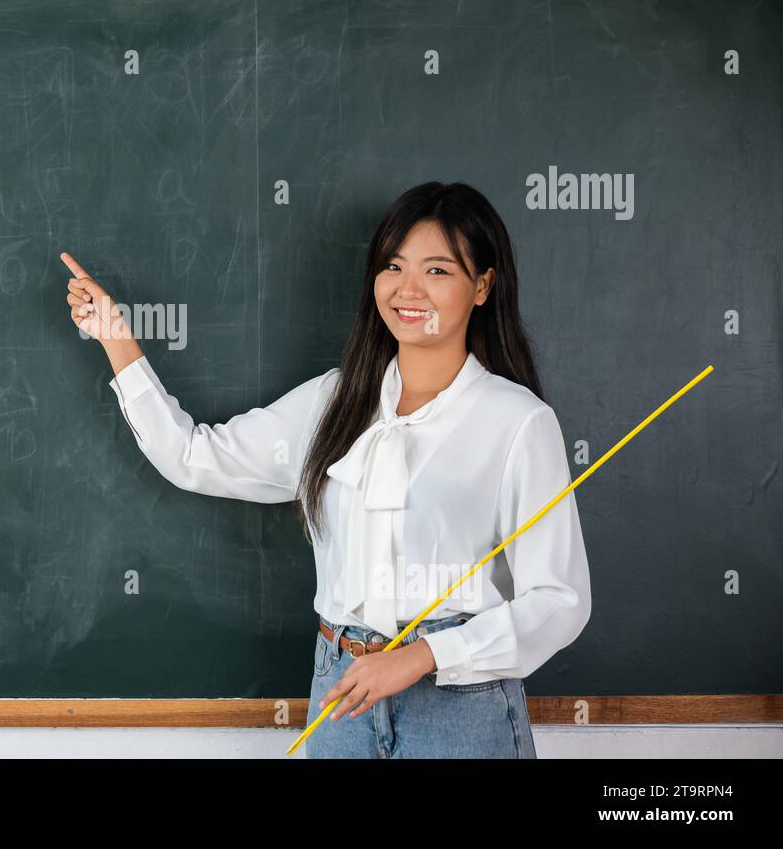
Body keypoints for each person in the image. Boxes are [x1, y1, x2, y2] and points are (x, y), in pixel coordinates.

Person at [59, 181, 591, 758]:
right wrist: (114, 336)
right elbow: (195, 458)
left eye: (437, 271)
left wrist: (423, 657)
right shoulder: (333, 402)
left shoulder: (517, 422)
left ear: (482, 285)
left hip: (459, 707)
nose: (407, 289)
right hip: (341, 694)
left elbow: (558, 600)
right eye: (393, 266)